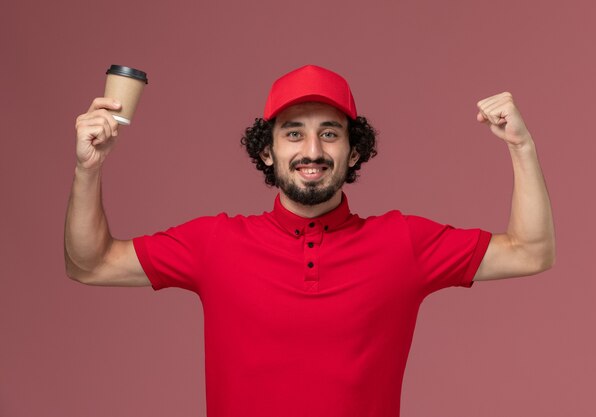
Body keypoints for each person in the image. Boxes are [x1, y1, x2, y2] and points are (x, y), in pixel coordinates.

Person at [65, 65, 555, 417]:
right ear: (266, 151)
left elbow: (530, 251)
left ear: (355, 151)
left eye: (329, 134)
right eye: (294, 134)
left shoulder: (403, 241)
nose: (312, 151)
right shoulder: (214, 242)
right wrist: (90, 169)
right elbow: (89, 264)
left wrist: (522, 148)